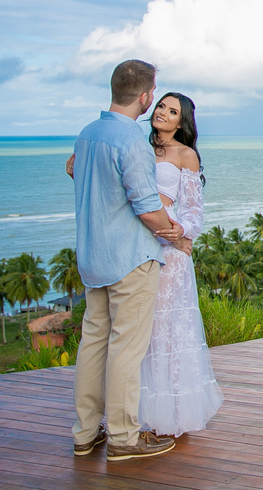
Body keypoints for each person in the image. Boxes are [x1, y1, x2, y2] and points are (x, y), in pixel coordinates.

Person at [70, 59, 181, 461]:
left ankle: (85, 433)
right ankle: (122, 437)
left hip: (94, 258)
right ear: (146, 96)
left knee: (93, 344)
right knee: (125, 350)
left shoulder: (88, 134)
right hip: (130, 258)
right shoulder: (132, 140)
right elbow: (146, 205)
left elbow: (80, 176)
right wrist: (170, 230)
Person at [139, 91, 224, 436]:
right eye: (161, 105)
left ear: (181, 121)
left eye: (172, 111)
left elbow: (193, 211)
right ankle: (136, 411)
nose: (163, 112)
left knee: (167, 331)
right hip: (138, 245)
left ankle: (169, 413)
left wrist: (181, 231)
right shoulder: (137, 146)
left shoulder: (185, 154)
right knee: (140, 331)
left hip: (170, 253)